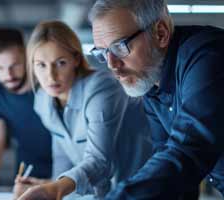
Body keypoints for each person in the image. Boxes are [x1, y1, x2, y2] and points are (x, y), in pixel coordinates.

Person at [88, 0, 224, 199]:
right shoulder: (152, 85)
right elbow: (171, 168)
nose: (112, 65)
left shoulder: (207, 56)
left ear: (160, 34)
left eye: (119, 47)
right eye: (103, 53)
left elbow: (188, 151)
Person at [16, 20, 152, 200]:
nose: (51, 76)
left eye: (61, 63)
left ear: (76, 59)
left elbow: (99, 161)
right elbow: (63, 160)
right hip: (103, 192)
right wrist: (47, 186)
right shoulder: (42, 101)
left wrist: (56, 188)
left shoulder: (102, 88)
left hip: (141, 188)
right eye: (41, 65)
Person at [0, 28, 53, 191]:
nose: (8, 75)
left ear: (27, 56)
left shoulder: (49, 83)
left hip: (66, 167)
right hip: (28, 171)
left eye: (15, 65)